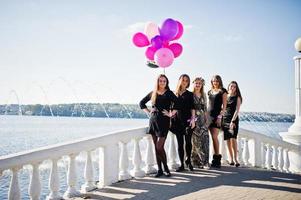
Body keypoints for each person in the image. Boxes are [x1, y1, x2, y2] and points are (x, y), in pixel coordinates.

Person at [139, 74, 179, 177]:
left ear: (166, 82)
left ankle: (166, 169)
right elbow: (141, 103)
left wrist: (171, 114)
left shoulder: (169, 93)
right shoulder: (153, 93)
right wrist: (148, 111)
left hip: (164, 122)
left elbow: (178, 103)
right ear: (157, 82)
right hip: (153, 121)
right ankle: (160, 170)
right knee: (156, 148)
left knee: (159, 146)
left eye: (164, 81)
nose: (162, 82)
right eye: (160, 81)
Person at [170, 74, 196, 171]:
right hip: (177, 122)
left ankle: (188, 161)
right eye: (183, 80)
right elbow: (171, 108)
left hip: (188, 121)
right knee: (180, 143)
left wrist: (193, 120)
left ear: (188, 83)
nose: (184, 82)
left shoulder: (190, 94)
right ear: (179, 81)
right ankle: (181, 164)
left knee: (188, 142)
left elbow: (193, 107)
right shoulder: (174, 93)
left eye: (186, 80)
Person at [208, 75, 227, 168]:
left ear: (219, 81)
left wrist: (220, 117)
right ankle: (210, 158)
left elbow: (224, 107)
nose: (215, 82)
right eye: (213, 81)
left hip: (217, 117)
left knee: (215, 137)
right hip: (208, 117)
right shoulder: (209, 92)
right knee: (210, 137)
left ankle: (217, 159)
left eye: (217, 81)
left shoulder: (223, 91)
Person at [191, 77, 210, 168]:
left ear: (202, 85)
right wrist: (193, 120)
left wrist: (207, 121)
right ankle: (196, 162)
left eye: (199, 83)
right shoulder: (190, 95)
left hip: (203, 119)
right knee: (196, 142)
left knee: (205, 140)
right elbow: (191, 108)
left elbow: (205, 108)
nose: (198, 85)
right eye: (196, 83)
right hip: (194, 119)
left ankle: (205, 162)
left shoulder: (204, 95)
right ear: (193, 84)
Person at [222, 81, 242, 167]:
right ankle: (231, 159)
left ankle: (235, 159)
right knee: (227, 140)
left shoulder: (237, 97)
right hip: (225, 119)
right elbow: (223, 108)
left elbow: (237, 110)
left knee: (233, 139)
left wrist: (233, 121)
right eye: (231, 86)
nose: (232, 88)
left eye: (234, 86)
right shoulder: (226, 96)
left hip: (233, 120)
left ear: (236, 88)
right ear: (228, 87)